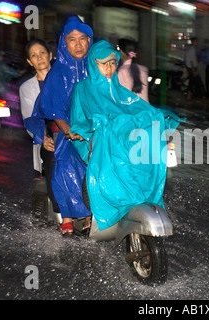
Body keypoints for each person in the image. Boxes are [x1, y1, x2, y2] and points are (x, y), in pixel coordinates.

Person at [69, 40, 180, 231]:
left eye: (112, 63)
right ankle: (102, 210)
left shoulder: (118, 88)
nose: (109, 68)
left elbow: (136, 109)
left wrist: (156, 116)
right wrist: (84, 128)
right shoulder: (84, 88)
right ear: (94, 65)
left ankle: (138, 202)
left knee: (144, 154)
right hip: (99, 141)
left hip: (121, 140)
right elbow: (79, 118)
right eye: (103, 63)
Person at [24, 16, 93, 237]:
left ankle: (94, 213)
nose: (79, 44)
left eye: (83, 39)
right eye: (72, 39)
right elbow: (52, 109)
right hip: (64, 132)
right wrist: (68, 131)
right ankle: (67, 216)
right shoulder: (57, 74)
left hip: (93, 129)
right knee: (64, 165)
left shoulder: (96, 68)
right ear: (65, 42)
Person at [19, 39, 60, 215]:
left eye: (42, 53)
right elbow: (29, 118)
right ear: (29, 61)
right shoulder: (27, 88)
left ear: (50, 55)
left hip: (70, 131)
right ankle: (62, 212)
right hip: (46, 135)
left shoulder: (64, 79)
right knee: (51, 158)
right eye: (34, 55)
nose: (39, 58)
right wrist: (43, 138)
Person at [117, 38, 149, 103]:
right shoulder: (144, 69)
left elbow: (121, 98)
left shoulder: (121, 71)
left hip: (131, 111)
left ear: (121, 52)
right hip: (146, 110)